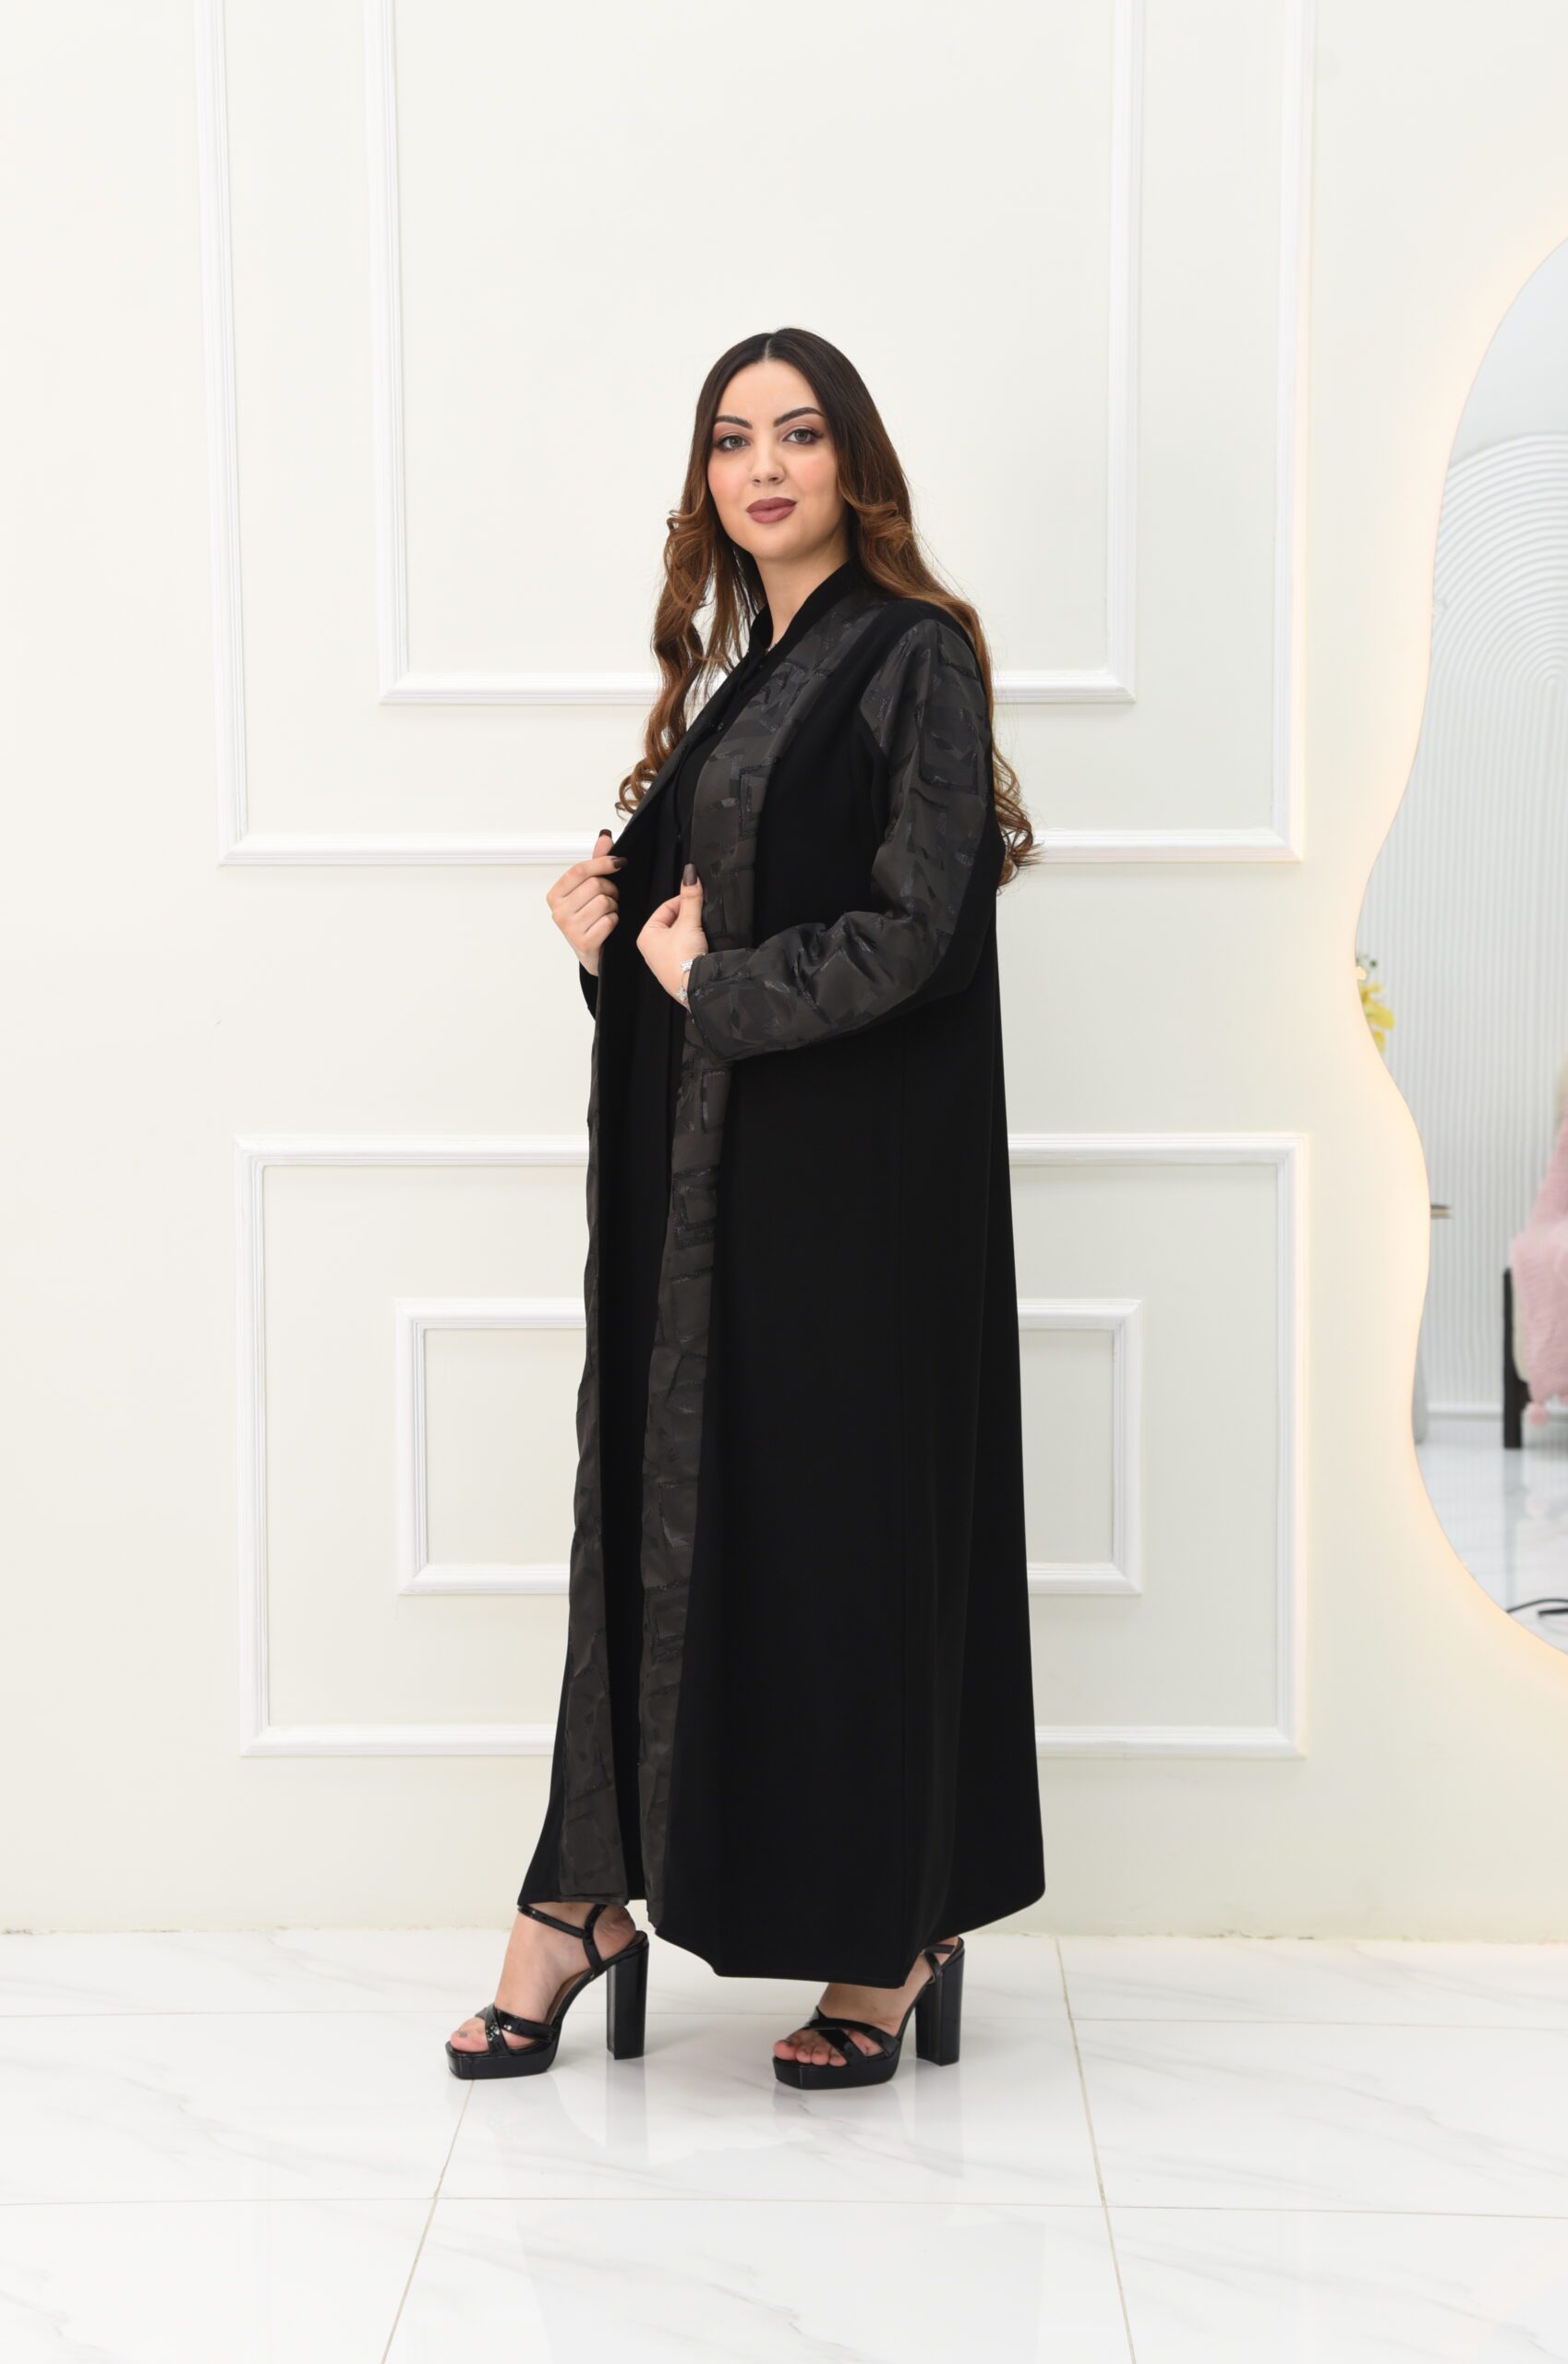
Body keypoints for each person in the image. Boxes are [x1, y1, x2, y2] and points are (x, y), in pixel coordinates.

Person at [447, 326, 1045, 2089]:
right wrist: (611, 951)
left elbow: (918, 931)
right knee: (656, 1515)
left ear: (854, 462)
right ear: (703, 480)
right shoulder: (744, 674)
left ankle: (892, 1928)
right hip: (706, 1199)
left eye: (796, 433)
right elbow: (703, 938)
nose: (762, 467)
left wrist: (703, 981)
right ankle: (581, 1894)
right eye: (729, 439)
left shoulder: (910, 655)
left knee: (837, 1539)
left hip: (849, 1210)